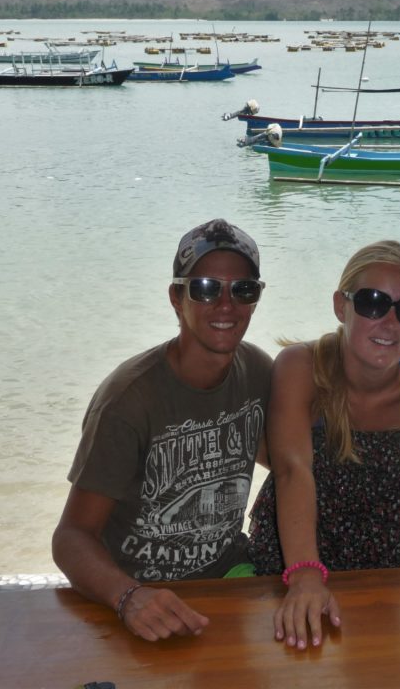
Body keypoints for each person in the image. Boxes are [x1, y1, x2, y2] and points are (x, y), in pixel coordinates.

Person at [52, 218, 273, 641]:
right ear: (176, 296)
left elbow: (291, 458)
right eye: (206, 288)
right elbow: (72, 536)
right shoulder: (129, 399)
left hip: (229, 572)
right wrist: (128, 596)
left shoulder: (258, 373)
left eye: (242, 290)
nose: (225, 305)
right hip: (138, 586)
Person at [247, 240, 400, 650]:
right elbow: (293, 469)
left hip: (393, 561)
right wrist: (305, 574)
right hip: (295, 553)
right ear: (341, 306)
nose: (390, 323)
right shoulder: (301, 367)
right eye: (373, 302)